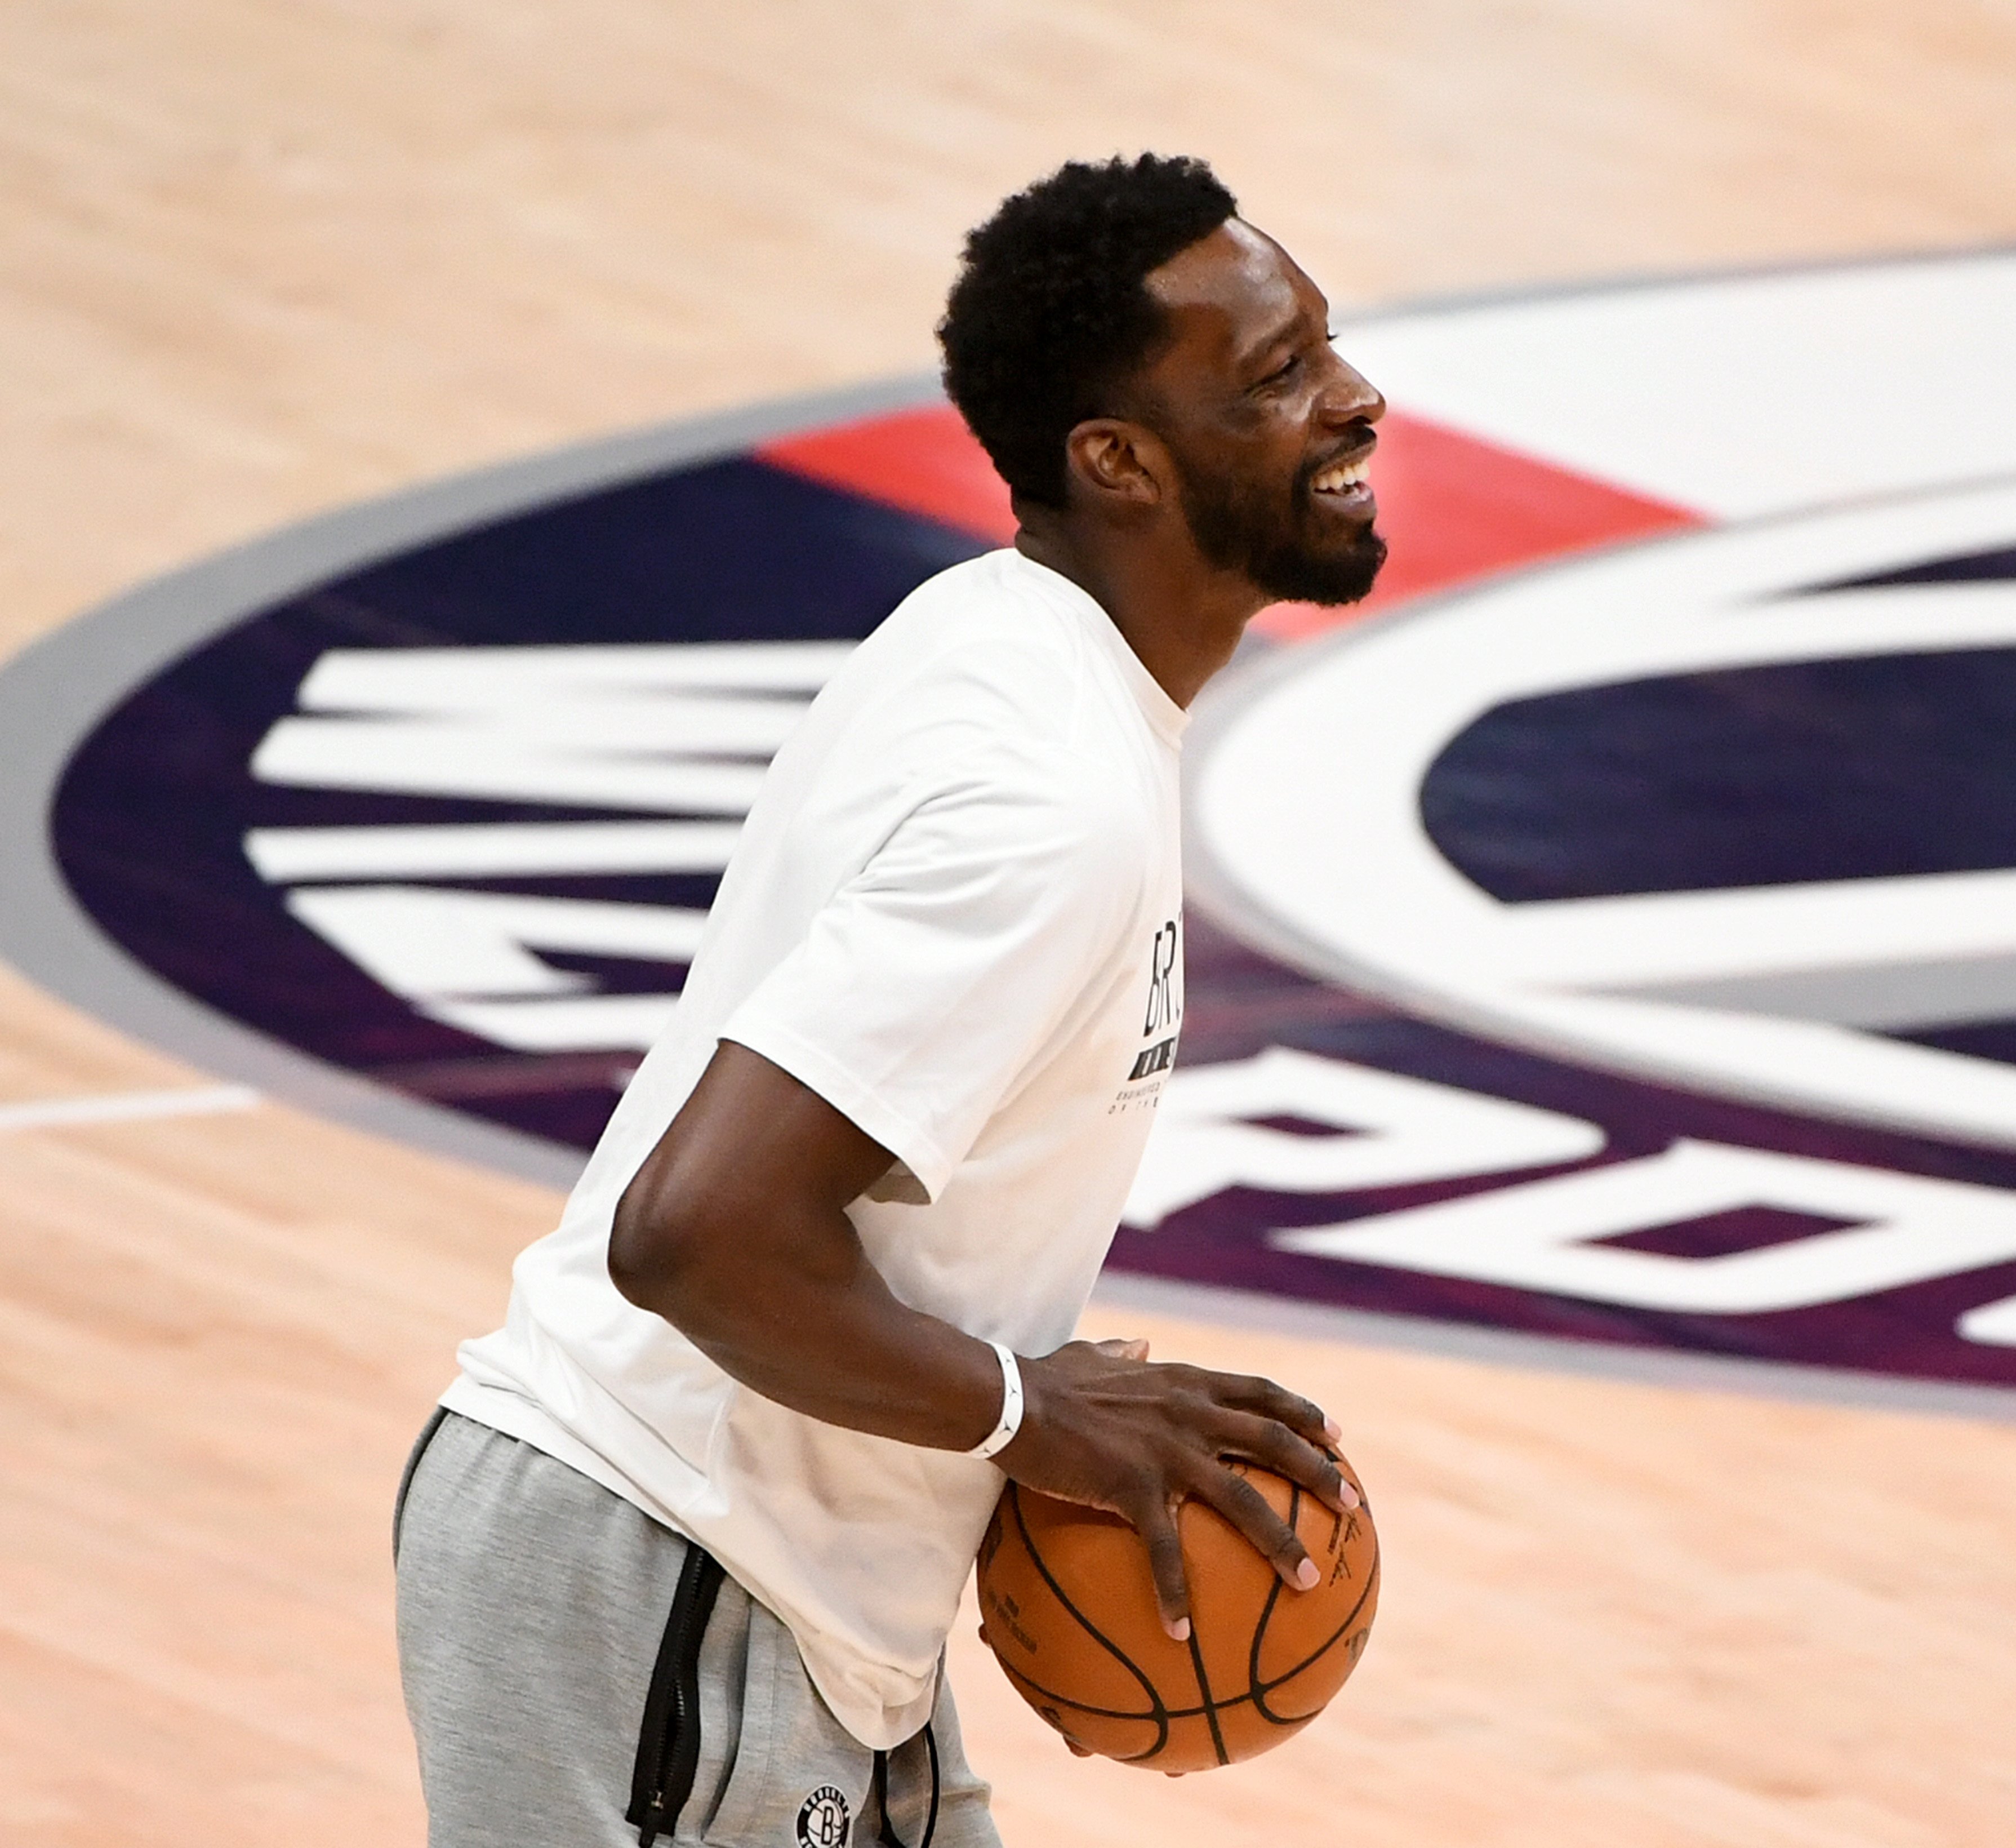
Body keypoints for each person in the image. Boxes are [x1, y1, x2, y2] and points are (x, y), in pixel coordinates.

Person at [393, 152, 1388, 1848]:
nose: (1355, 400)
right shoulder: (1043, 801)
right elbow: (693, 1232)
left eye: (1324, 344)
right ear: (1119, 462)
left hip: (778, 1591)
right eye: (1277, 378)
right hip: (666, 1565)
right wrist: (1028, 1411)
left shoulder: (1012, 646)